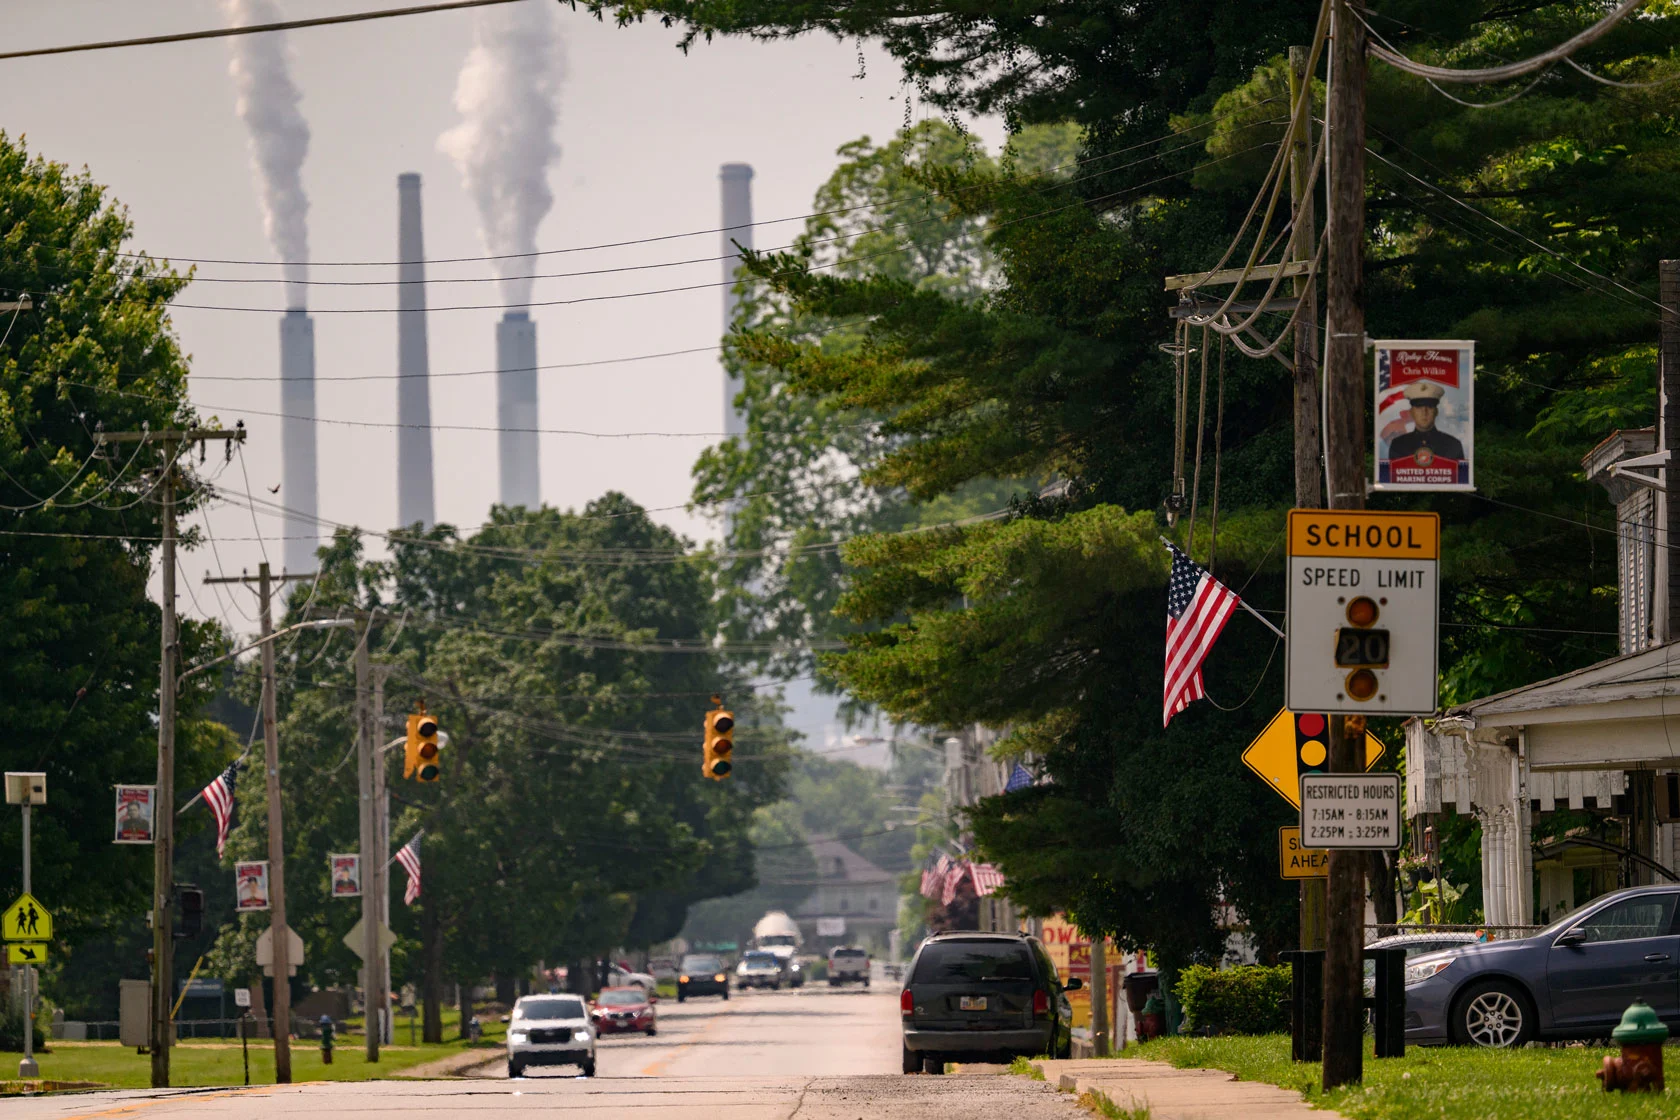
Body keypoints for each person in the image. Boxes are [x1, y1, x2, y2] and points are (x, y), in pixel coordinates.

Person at [1385, 380, 1465, 463]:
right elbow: (1392, 475)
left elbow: (1460, 475)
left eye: (1430, 407)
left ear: (1436, 412)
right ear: (1412, 412)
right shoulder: (1398, 445)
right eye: (1419, 407)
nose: (1424, 412)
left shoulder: (1453, 445)